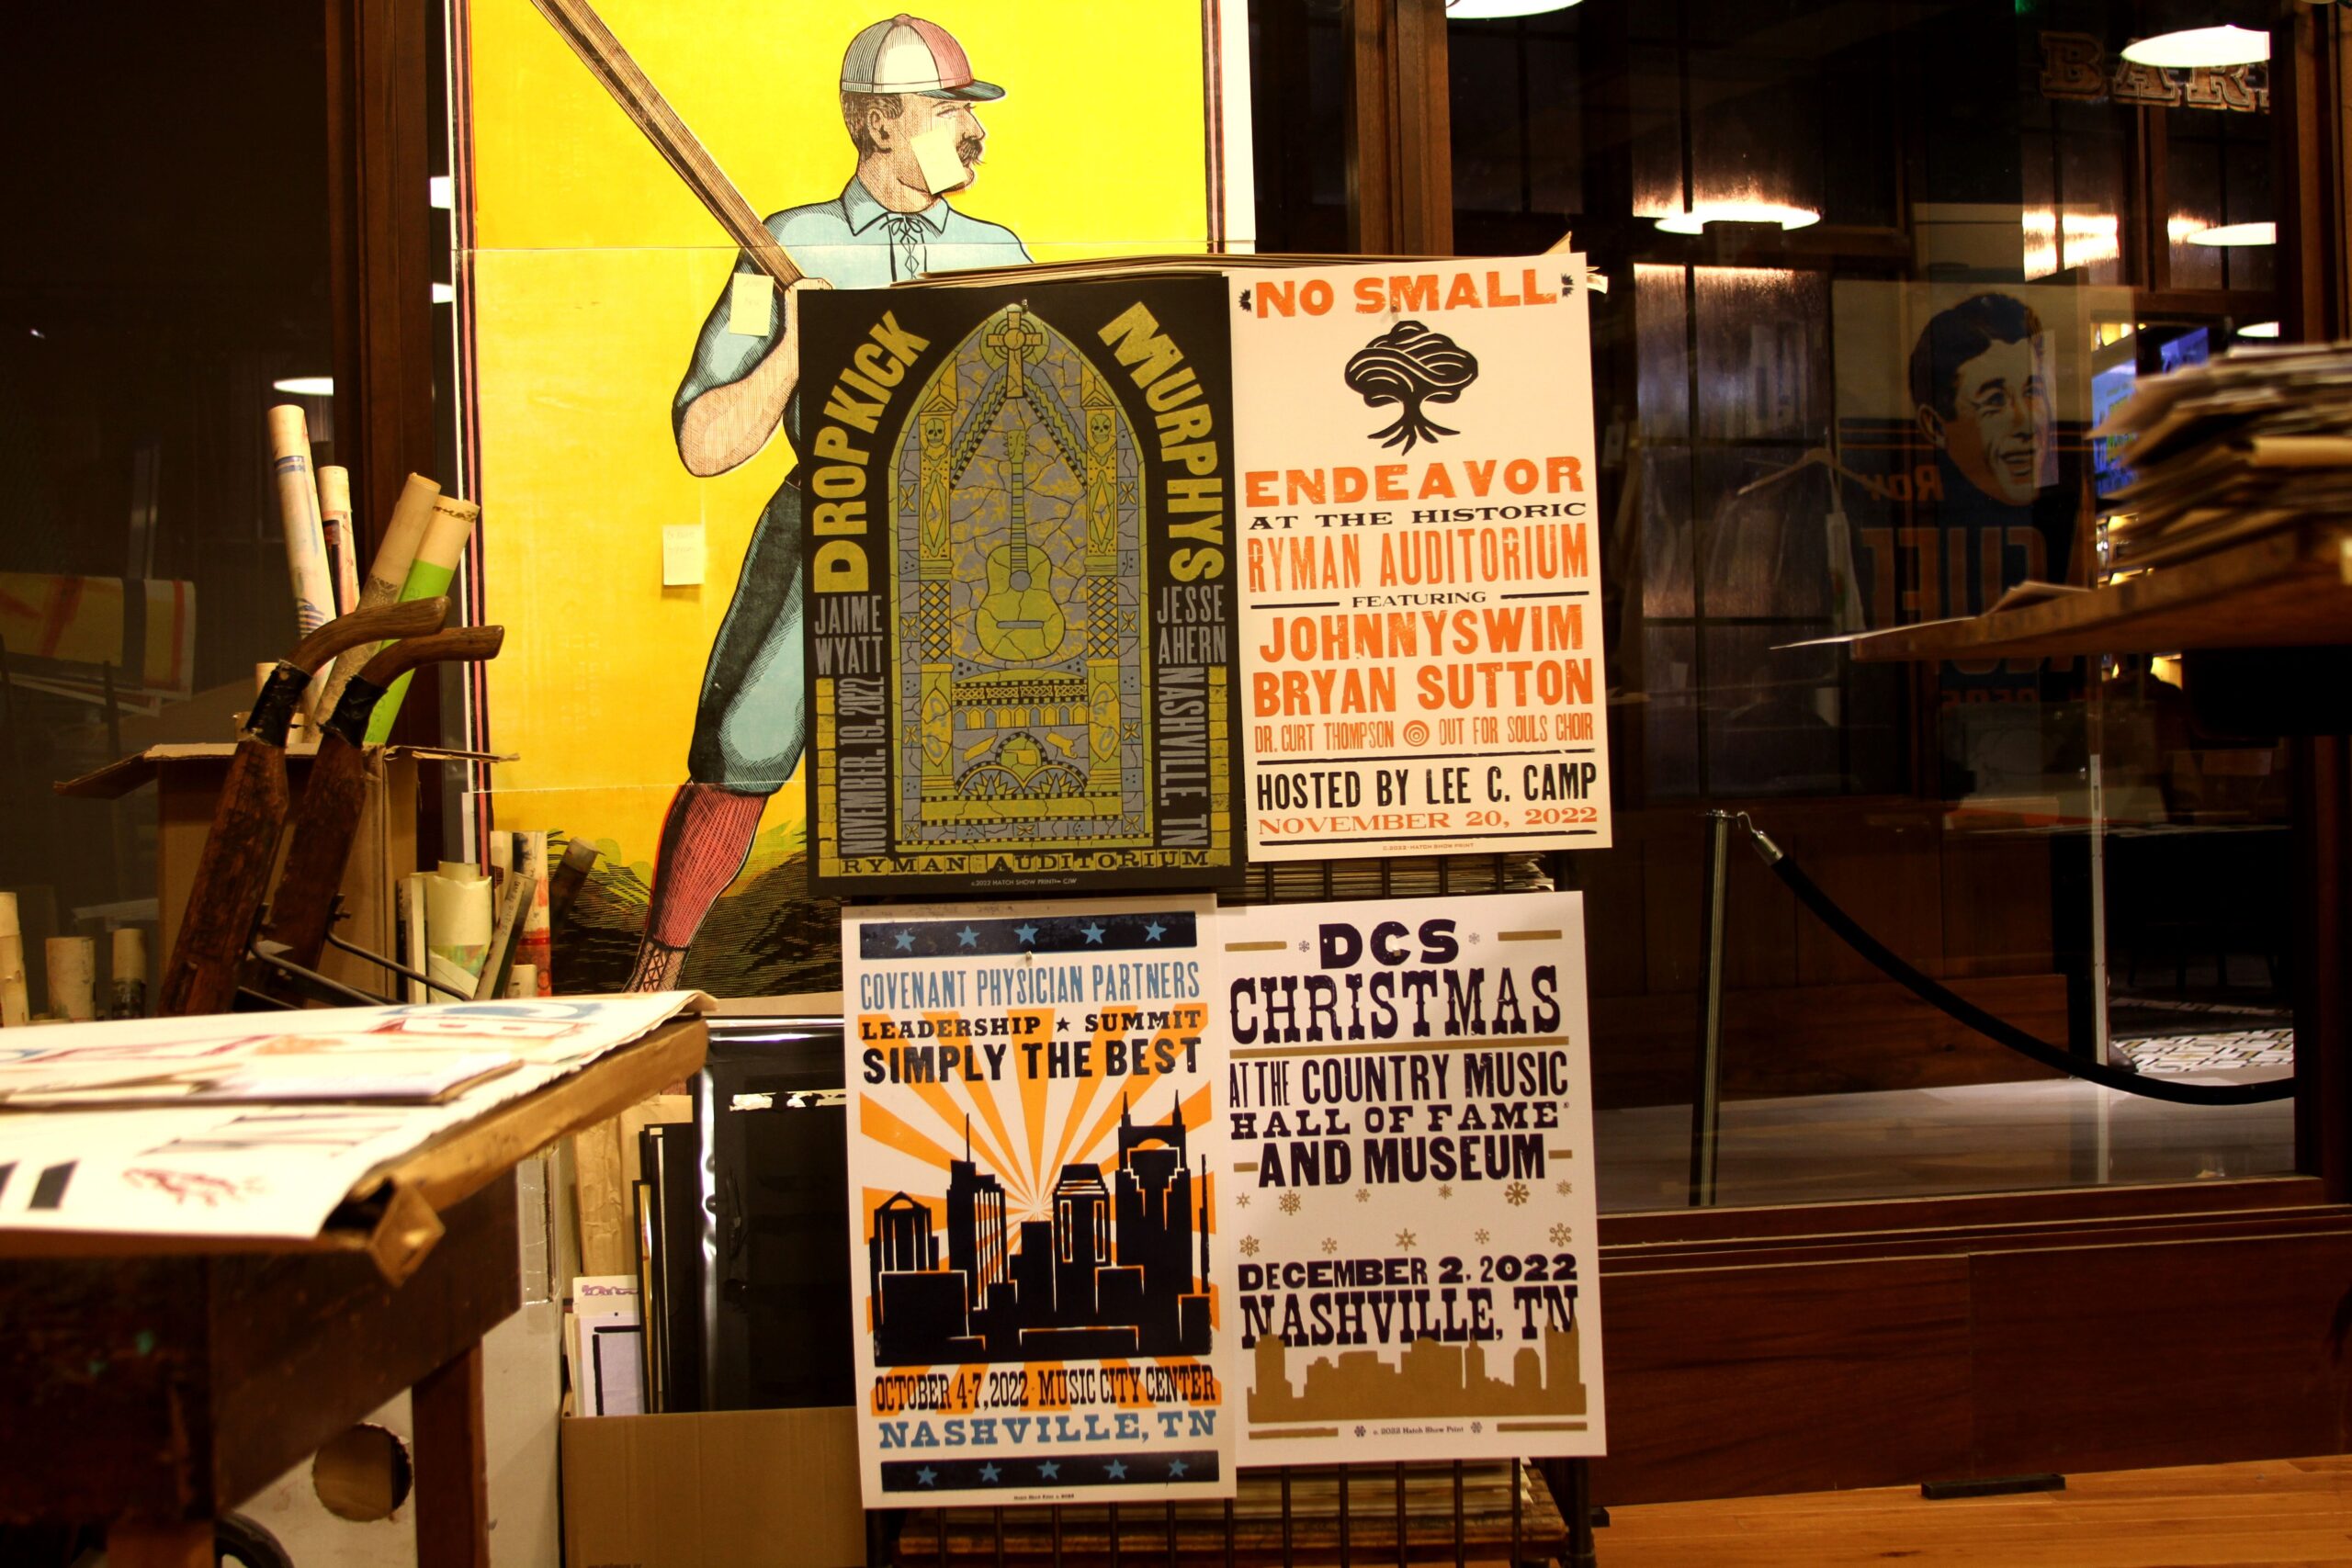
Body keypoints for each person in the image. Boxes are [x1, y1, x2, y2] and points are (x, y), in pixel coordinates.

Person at [628, 14, 1030, 990]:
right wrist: (796, 346)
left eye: (970, 111)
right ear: (880, 123)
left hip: (964, 541)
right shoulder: (783, 249)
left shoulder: (1000, 253)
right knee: (743, 743)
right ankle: (659, 966)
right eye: (949, 111)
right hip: (824, 526)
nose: (974, 131)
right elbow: (705, 442)